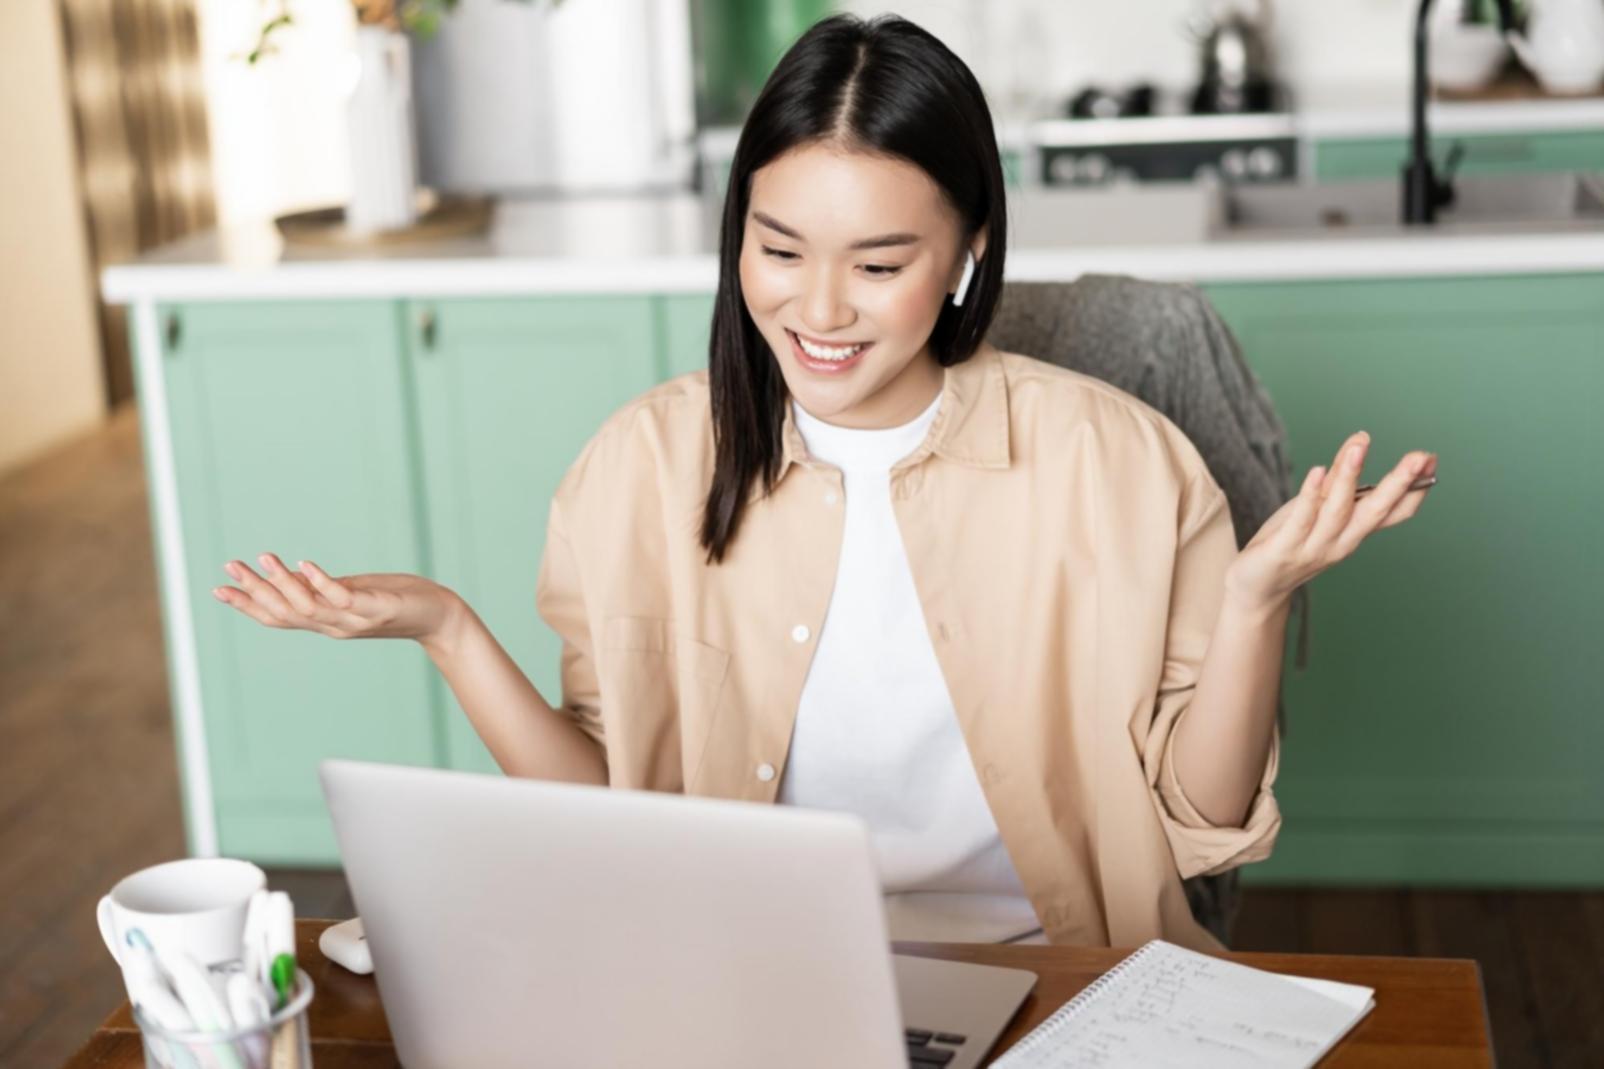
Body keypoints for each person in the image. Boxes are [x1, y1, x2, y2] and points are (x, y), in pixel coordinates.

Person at [213, 13, 1435, 952]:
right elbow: (612, 813)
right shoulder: (638, 469)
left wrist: (1252, 604)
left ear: (967, 256)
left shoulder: (1121, 462)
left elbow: (1194, 819)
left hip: (1055, 971)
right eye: (778, 248)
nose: (817, 309)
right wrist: (445, 627)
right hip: (754, 970)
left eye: (879, 262)